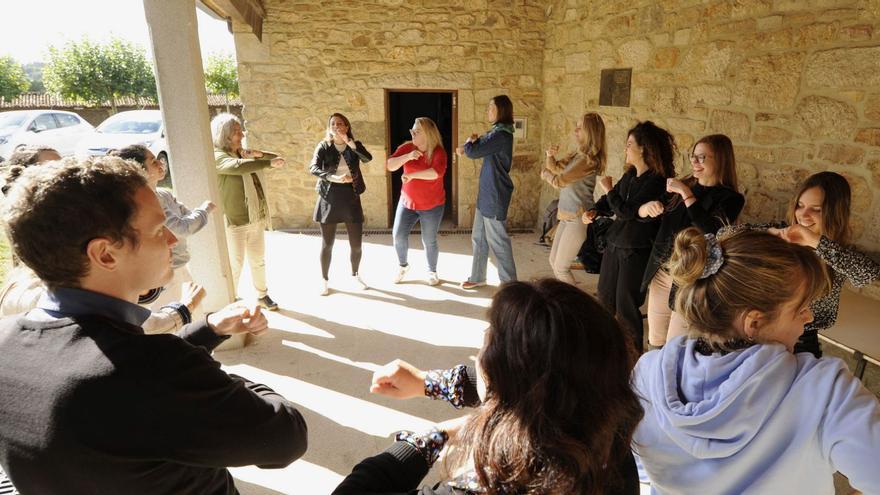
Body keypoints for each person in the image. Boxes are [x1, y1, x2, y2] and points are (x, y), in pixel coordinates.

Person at [0, 157, 307, 494]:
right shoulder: (158, 371)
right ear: (105, 254)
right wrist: (209, 373)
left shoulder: (6, 343)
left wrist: (209, 330)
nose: (173, 241)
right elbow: (285, 437)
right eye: (159, 229)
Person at [334, 279, 643, 494]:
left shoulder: (491, 486)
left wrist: (434, 436)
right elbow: (533, 377)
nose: (477, 355)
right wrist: (428, 383)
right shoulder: (609, 450)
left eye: (486, 346)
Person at [633, 227, 880, 494]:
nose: (809, 318)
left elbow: (641, 469)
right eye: (801, 308)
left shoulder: (645, 376)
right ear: (754, 322)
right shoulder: (825, 392)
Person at [725, 171, 880, 358]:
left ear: (835, 214)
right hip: (758, 333)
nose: (803, 215)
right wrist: (772, 233)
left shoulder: (836, 253)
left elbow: (868, 274)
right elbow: (724, 235)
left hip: (802, 341)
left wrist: (816, 241)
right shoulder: (784, 233)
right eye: (800, 205)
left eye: (816, 209)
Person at [639, 134, 744, 349]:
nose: (694, 162)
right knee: (655, 339)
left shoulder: (731, 198)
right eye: (693, 156)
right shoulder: (683, 184)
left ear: (720, 160)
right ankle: (652, 381)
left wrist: (686, 194)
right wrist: (649, 208)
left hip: (691, 278)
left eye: (702, 157)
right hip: (663, 270)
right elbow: (654, 219)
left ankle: (670, 381)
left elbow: (711, 230)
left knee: (675, 344)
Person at [583, 121, 675, 352]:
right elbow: (610, 205)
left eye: (629, 144)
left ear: (643, 148)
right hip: (615, 245)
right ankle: (604, 353)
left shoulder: (656, 181)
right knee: (604, 301)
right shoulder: (631, 176)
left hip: (636, 249)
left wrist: (609, 190)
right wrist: (594, 211)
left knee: (626, 308)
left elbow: (626, 211)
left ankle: (632, 358)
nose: (626, 149)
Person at [112, 144, 216, 309]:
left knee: (194, 312)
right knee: (179, 318)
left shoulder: (164, 194)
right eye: (153, 161)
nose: (161, 164)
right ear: (140, 169)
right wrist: (205, 209)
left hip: (179, 266)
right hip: (165, 273)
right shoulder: (140, 203)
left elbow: (185, 220)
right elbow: (182, 227)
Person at [212, 113, 285, 311]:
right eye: (236, 131)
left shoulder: (242, 153)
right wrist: (265, 162)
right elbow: (237, 168)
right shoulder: (219, 156)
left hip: (255, 217)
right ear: (225, 134)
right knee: (235, 263)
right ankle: (230, 298)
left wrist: (259, 155)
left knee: (258, 260)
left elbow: (274, 159)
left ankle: (262, 295)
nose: (242, 134)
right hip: (236, 220)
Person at [456, 95, 517, 289]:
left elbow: (474, 151)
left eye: (492, 107)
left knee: (498, 242)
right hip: (487, 195)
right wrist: (468, 146)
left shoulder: (501, 135)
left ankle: (510, 286)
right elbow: (478, 146)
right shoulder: (497, 132)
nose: (488, 111)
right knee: (479, 238)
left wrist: (467, 145)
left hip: (495, 195)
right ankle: (478, 276)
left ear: (502, 110)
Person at [310, 113, 373, 296]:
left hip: (351, 197)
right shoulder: (323, 146)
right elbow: (313, 167)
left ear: (346, 126)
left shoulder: (355, 145)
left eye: (341, 123)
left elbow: (367, 159)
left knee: (356, 245)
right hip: (329, 197)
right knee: (327, 244)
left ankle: (355, 274)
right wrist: (333, 177)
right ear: (329, 127)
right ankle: (324, 280)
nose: (337, 126)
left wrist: (351, 143)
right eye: (333, 124)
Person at [541, 112, 607, 284]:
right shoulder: (577, 155)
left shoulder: (588, 160)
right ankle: (569, 303)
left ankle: (576, 308)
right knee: (553, 262)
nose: (575, 131)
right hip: (566, 218)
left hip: (577, 219)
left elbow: (559, 181)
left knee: (561, 269)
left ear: (590, 132)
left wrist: (546, 176)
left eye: (580, 128)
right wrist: (549, 156)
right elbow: (556, 168)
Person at [386, 117, 447, 286]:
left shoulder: (438, 152)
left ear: (428, 134)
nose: (413, 133)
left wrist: (411, 175)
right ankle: (403, 266)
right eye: (412, 130)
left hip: (432, 206)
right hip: (407, 203)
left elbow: (436, 173)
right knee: (398, 235)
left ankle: (432, 271)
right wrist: (407, 156)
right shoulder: (407, 147)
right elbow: (390, 165)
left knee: (429, 240)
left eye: (417, 131)